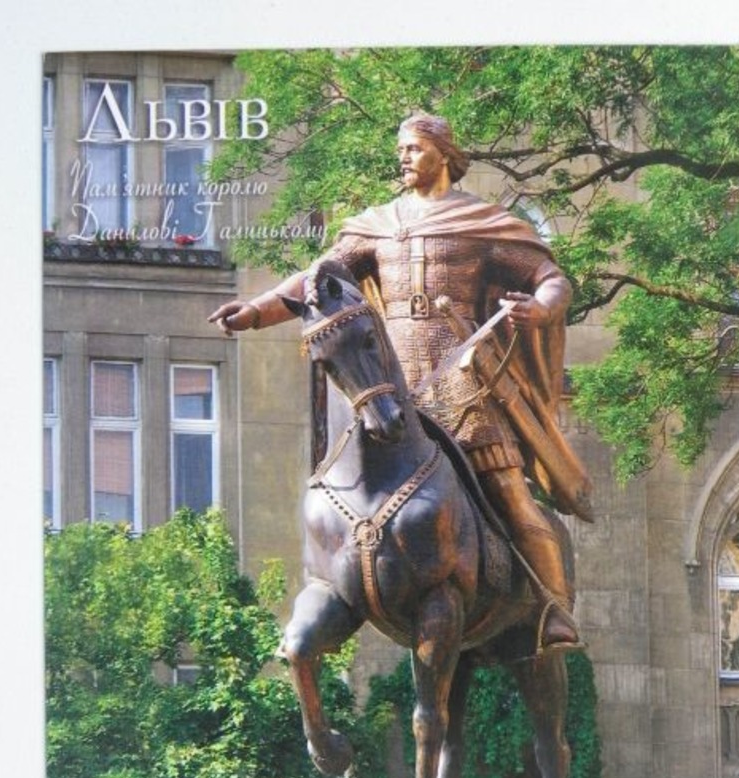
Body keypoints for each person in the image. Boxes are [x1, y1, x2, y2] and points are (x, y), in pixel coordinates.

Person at [209, 114, 591, 648]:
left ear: (444, 154)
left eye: (414, 148)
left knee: (512, 495)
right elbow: (318, 280)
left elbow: (551, 279)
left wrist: (542, 308)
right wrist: (254, 311)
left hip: (466, 392)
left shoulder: (480, 224)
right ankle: (338, 581)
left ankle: (554, 608)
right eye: (401, 150)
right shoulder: (377, 225)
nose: (404, 158)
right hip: (392, 389)